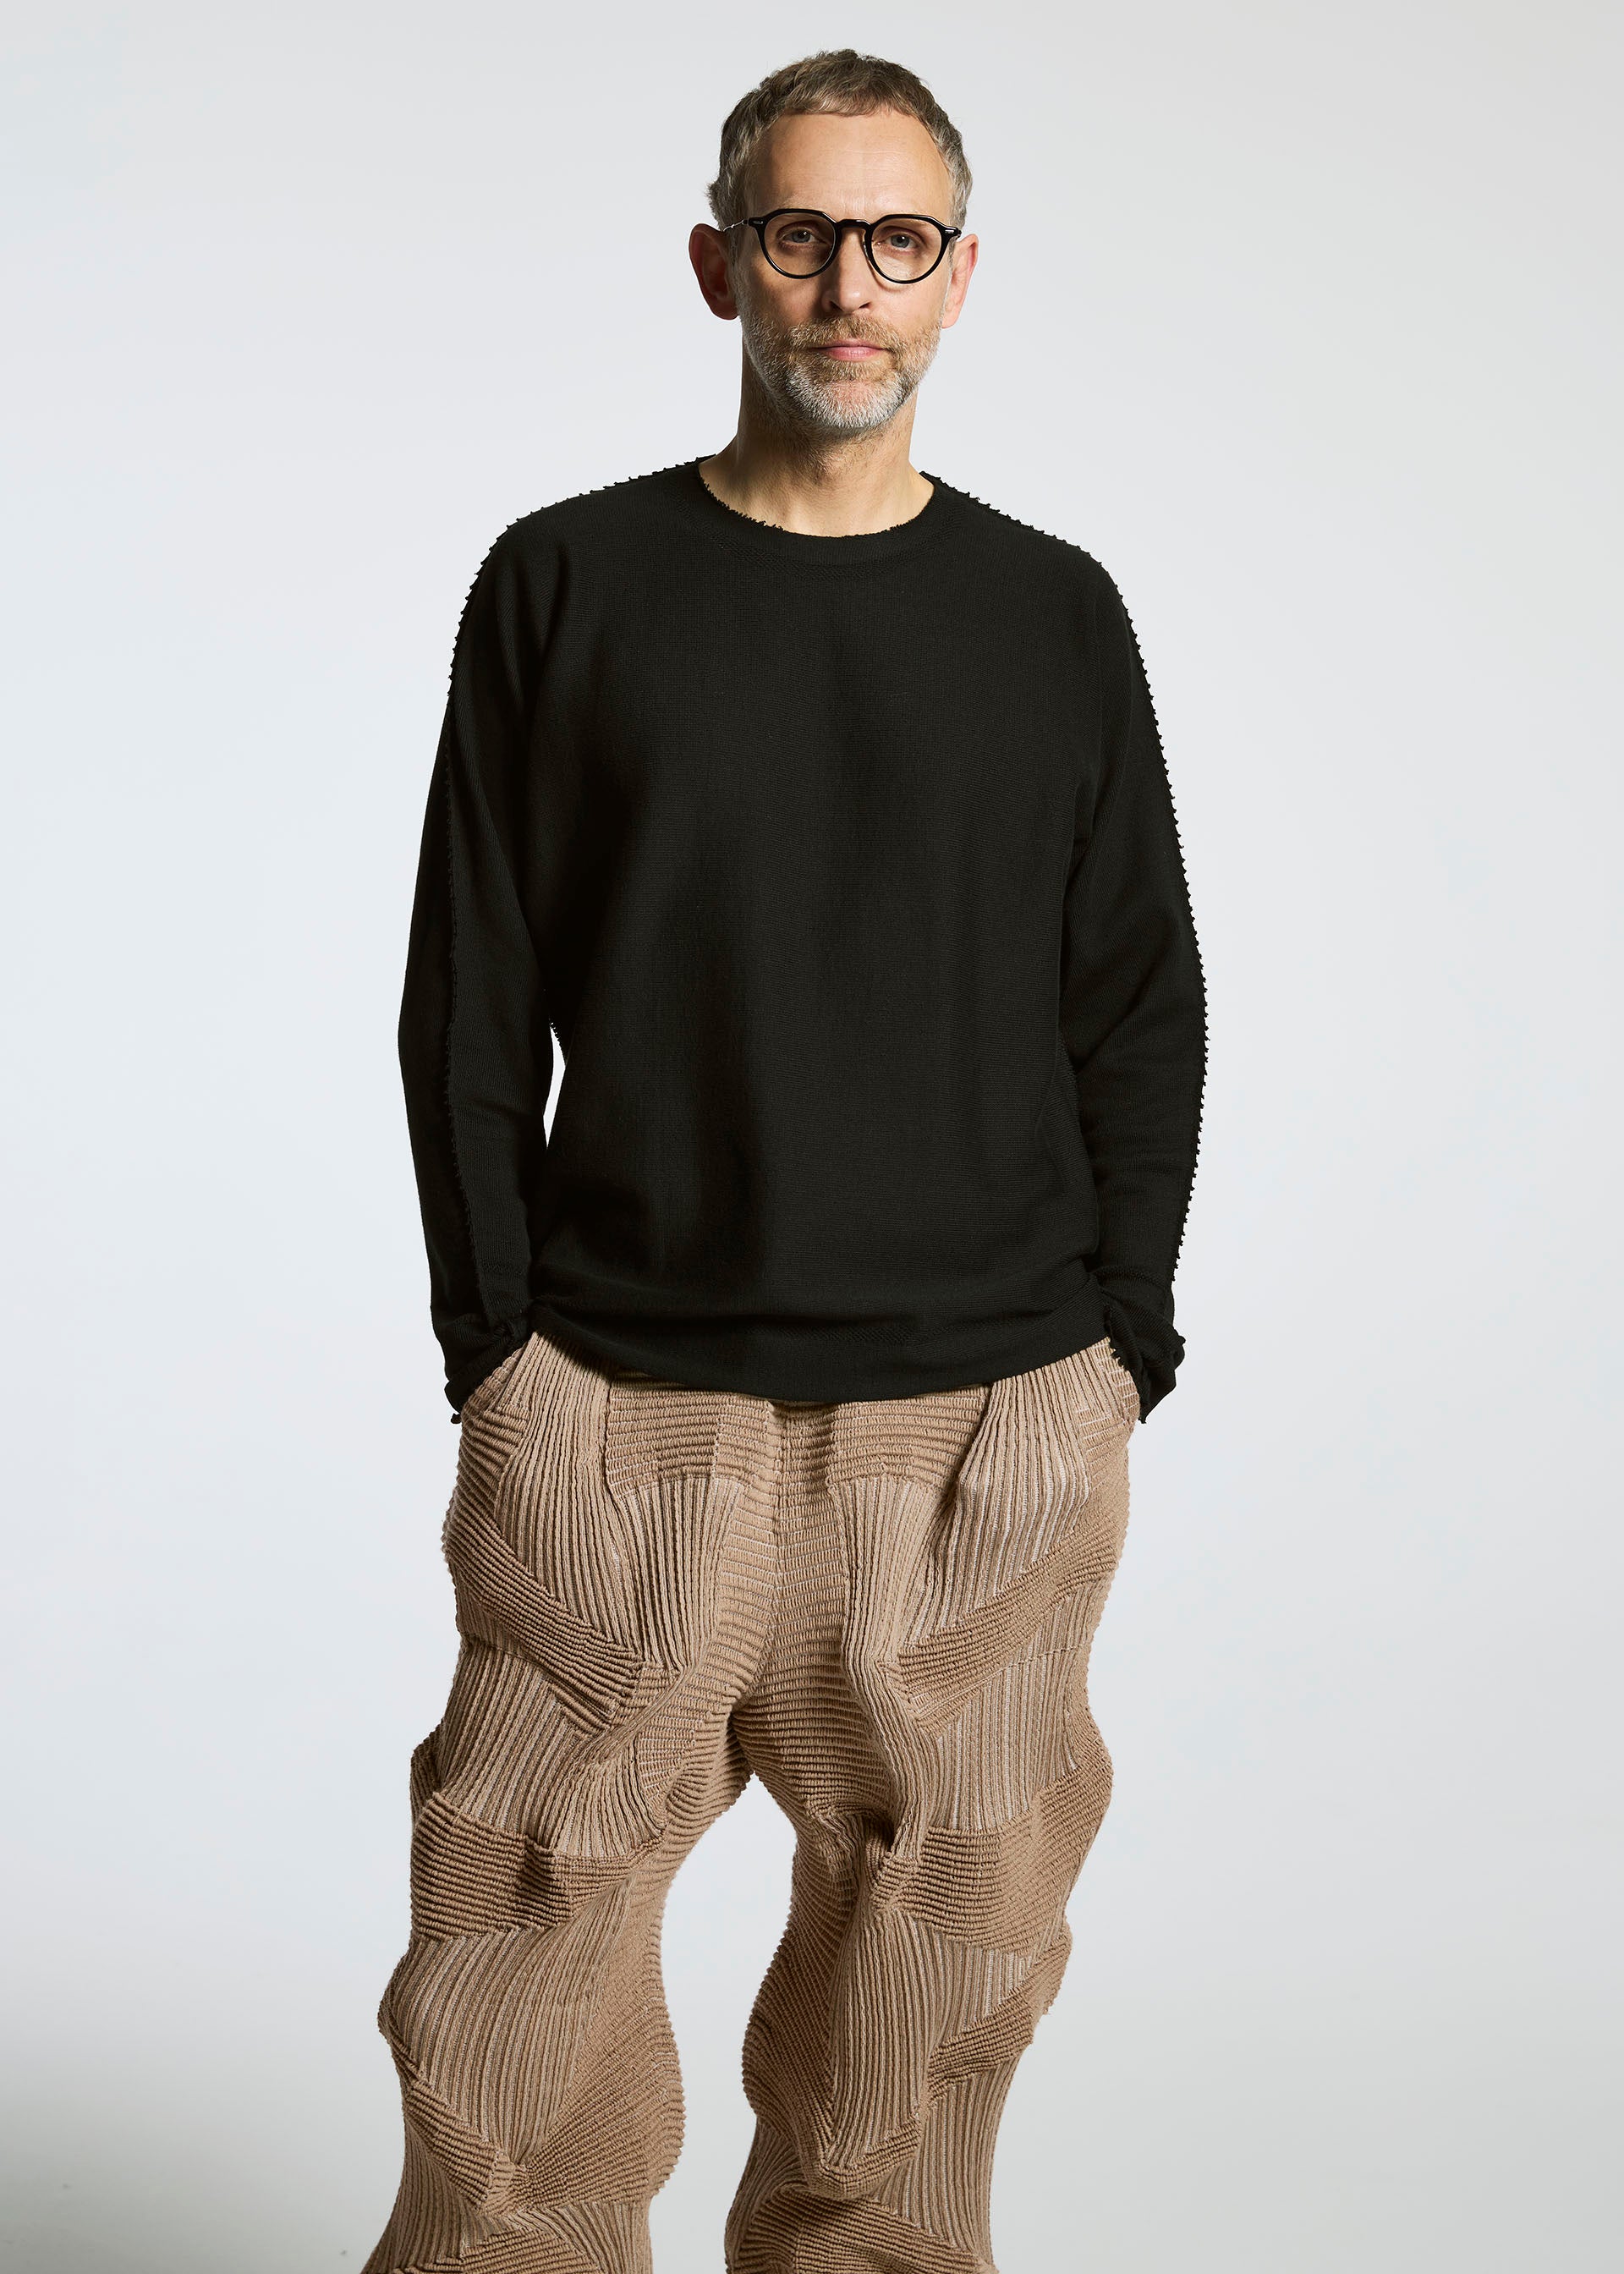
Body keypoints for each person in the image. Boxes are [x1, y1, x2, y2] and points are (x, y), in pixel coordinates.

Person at [363, 47, 1206, 2274]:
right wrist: (496, 1353)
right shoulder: (568, 583)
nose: (851, 288)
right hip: (620, 1419)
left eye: (898, 240)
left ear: (960, 274)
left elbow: (1138, 997)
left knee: (916, 2045)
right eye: (805, 236)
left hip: (984, 1437)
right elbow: (470, 1001)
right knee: (507, 2040)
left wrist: (1117, 1350)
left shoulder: (1051, 613)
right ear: (720, 261)